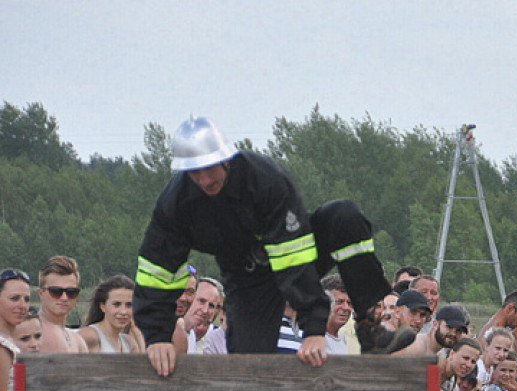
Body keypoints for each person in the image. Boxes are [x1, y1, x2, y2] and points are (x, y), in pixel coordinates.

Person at [133, 115, 391, 376]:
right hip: (248, 280)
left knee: (343, 217)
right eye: (194, 172)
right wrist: (158, 337)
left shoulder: (265, 179)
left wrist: (313, 330)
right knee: (248, 368)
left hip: (299, 256)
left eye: (209, 168)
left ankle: (371, 329)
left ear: (225, 159)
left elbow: (294, 255)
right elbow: (157, 270)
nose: (204, 180)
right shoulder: (176, 204)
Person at [78, 274, 144, 354]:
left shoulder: (129, 343)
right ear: (103, 306)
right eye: (116, 304)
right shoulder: (90, 336)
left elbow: (144, 365)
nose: (123, 312)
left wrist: (137, 332)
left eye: (129, 305)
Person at [37, 255, 88, 354]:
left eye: (71, 291)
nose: (64, 298)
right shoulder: (30, 334)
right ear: (41, 293)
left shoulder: (78, 341)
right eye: (55, 291)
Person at [395, 304, 469, 358]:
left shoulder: (439, 354)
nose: (453, 333)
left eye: (458, 330)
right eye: (449, 327)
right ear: (435, 324)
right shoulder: (416, 346)